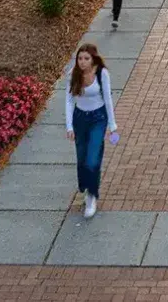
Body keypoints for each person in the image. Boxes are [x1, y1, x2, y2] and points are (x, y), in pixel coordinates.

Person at [65, 43, 117, 219]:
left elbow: (108, 99)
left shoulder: (102, 74)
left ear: (93, 59)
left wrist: (112, 124)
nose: (82, 62)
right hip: (80, 119)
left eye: (86, 58)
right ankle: (85, 186)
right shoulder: (73, 74)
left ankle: (92, 196)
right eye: (80, 58)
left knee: (92, 158)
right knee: (81, 158)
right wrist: (69, 126)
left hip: (98, 118)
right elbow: (69, 100)